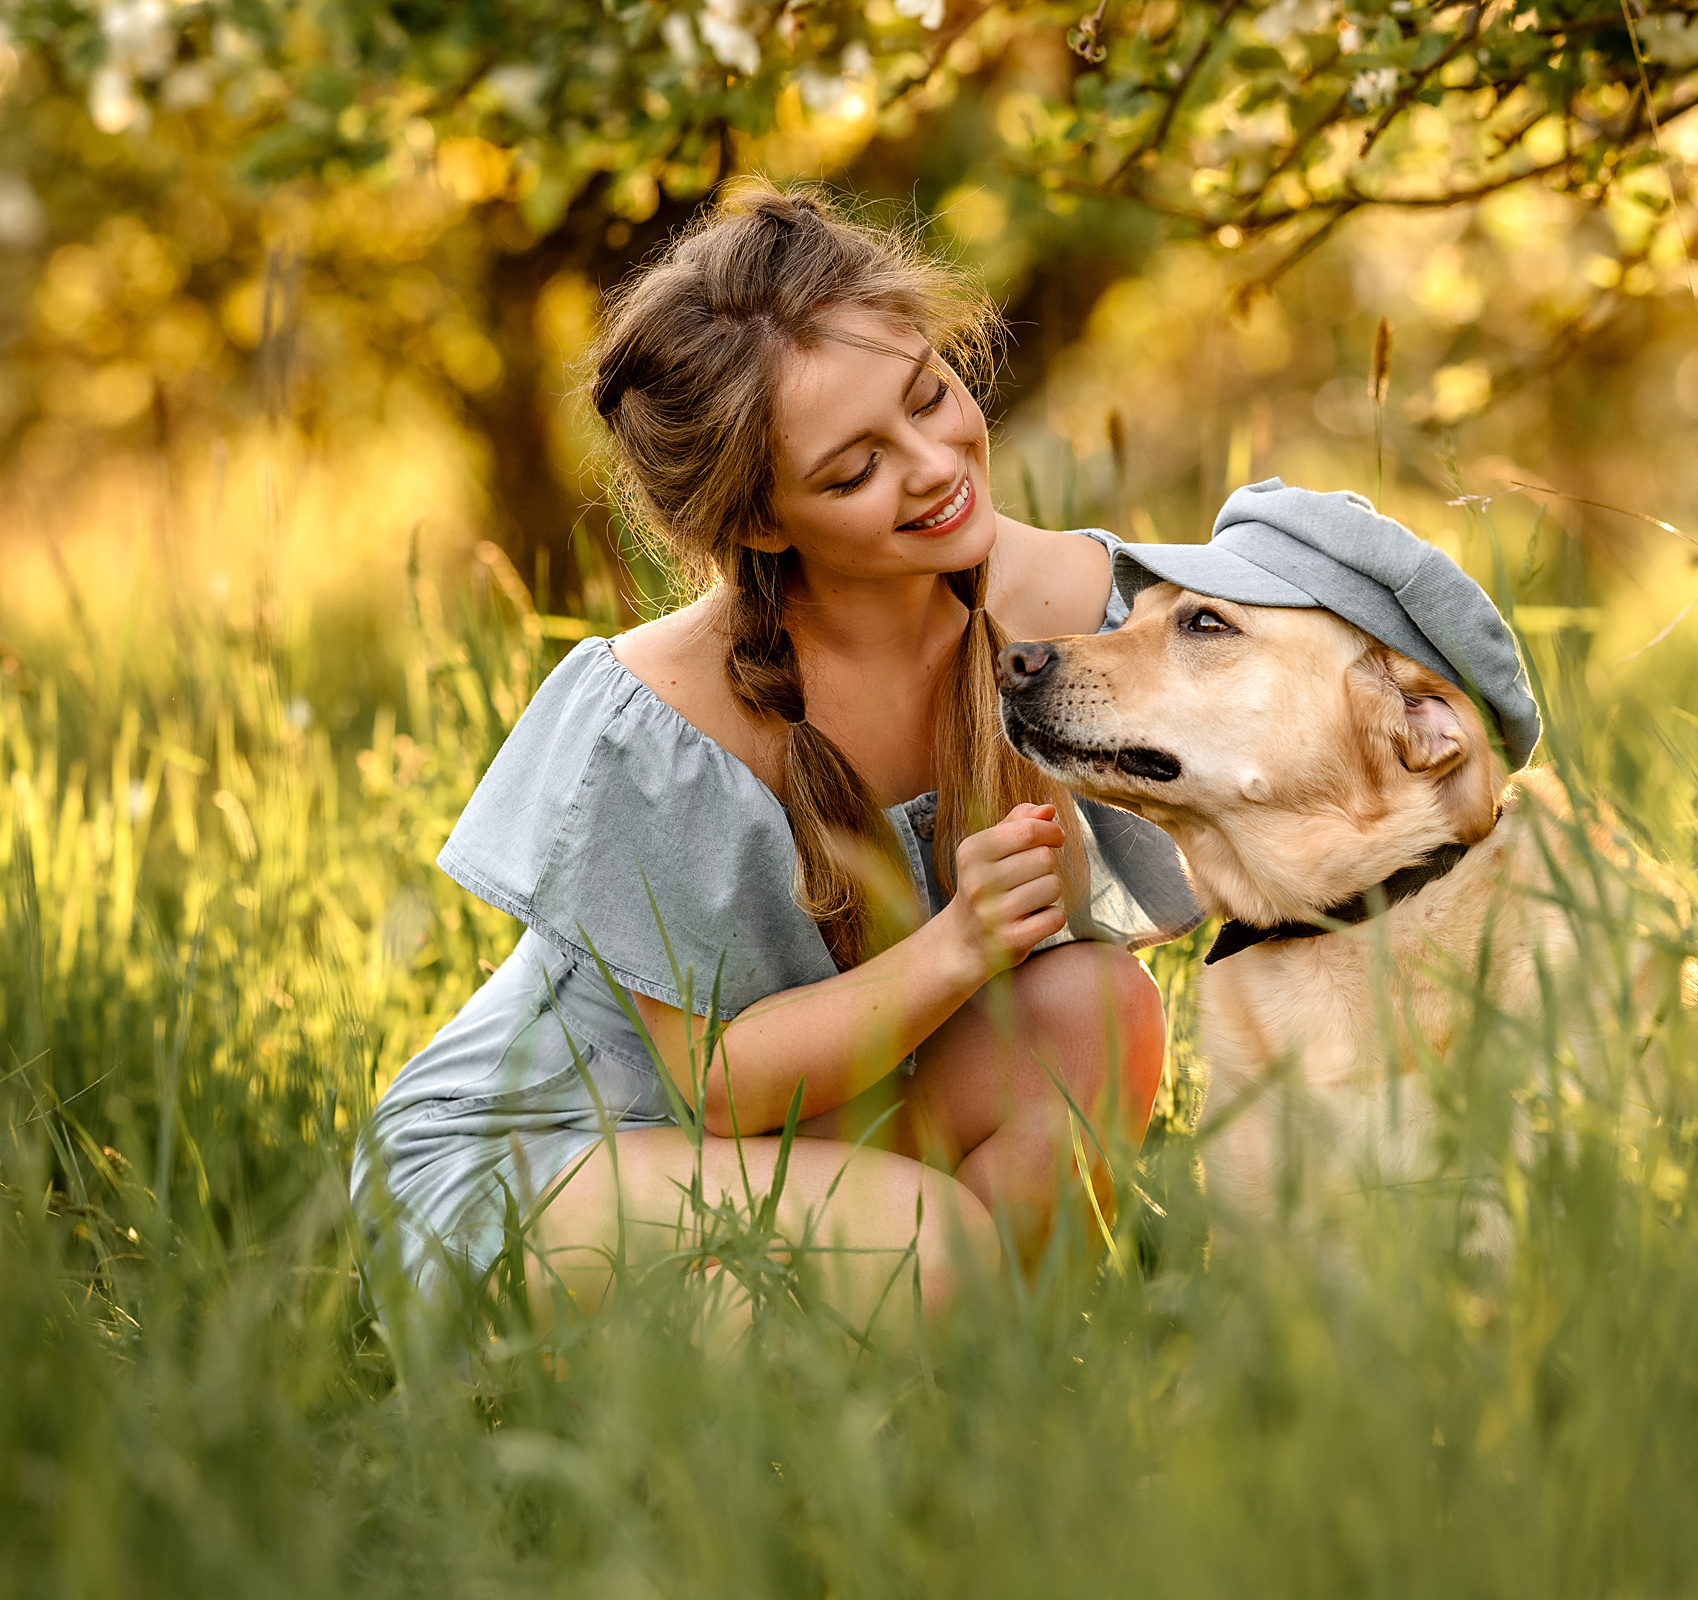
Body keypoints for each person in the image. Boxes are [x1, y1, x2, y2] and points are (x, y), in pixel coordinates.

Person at [350, 183, 1200, 1336]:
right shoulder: (654, 718)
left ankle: (978, 1396)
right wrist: (958, 945)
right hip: (550, 1152)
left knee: (1097, 1010)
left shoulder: (1069, 603)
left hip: (792, 1140)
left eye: (930, 396)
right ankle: (652, 1403)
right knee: (923, 1244)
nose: (936, 464)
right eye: (853, 472)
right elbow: (711, 1085)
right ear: (760, 522)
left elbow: (1302, 642)